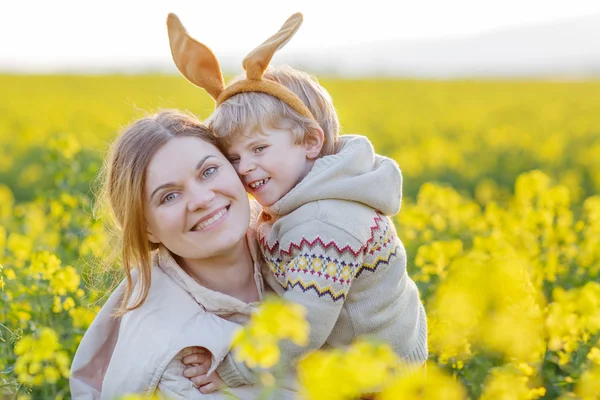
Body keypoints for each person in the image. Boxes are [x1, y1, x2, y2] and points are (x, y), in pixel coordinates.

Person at [167, 12, 428, 390]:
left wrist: (232, 370)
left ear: (310, 142)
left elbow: (304, 323)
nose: (245, 168)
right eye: (235, 157)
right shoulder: (297, 202)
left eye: (259, 148)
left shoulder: (328, 221)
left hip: (381, 384)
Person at [69, 110, 295, 399]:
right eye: (169, 196)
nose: (202, 200)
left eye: (209, 171)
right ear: (147, 229)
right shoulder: (176, 363)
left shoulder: (309, 239)